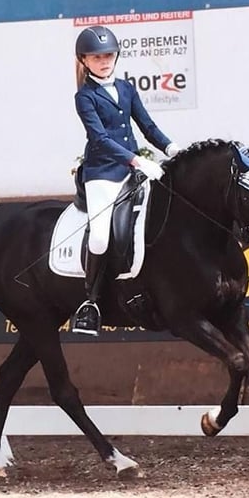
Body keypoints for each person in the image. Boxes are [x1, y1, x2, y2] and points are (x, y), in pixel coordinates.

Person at [71, 25, 181, 336]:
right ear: (84, 60)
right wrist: (136, 159)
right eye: (96, 57)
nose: (104, 61)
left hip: (133, 170)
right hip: (103, 173)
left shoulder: (127, 88)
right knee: (101, 237)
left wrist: (171, 147)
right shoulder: (85, 97)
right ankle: (90, 303)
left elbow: (146, 124)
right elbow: (100, 139)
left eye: (108, 55)